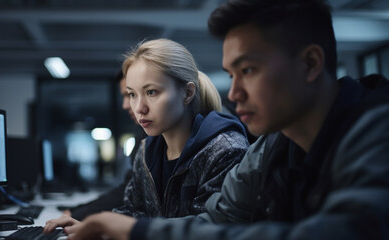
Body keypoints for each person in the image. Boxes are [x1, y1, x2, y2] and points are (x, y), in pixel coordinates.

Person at [48, 0, 389, 239]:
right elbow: (216, 221)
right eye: (231, 74)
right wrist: (113, 224)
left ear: (311, 64)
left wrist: (134, 230)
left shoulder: (377, 134)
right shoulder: (272, 146)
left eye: (249, 70)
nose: (235, 93)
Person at [43, 38, 249, 232]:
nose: (139, 108)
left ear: (187, 93)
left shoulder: (225, 150)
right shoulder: (146, 151)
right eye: (132, 94)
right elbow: (132, 210)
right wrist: (92, 226)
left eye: (151, 92)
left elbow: (210, 230)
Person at [61, 70, 146, 221]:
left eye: (152, 92)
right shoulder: (145, 141)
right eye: (128, 95)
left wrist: (82, 215)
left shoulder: (148, 142)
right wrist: (81, 214)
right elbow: (131, 192)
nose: (125, 105)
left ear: (187, 94)